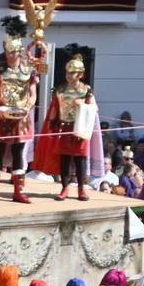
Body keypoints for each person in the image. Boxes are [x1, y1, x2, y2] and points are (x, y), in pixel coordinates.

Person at [0, 16, 37, 204]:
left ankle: (18, 190)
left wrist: (27, 107)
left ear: (20, 51)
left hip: (21, 116)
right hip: (0, 115)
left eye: (15, 52)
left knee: (19, 153)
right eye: (9, 52)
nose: (12, 56)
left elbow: (33, 93)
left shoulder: (28, 68)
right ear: (5, 48)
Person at [34, 54, 100, 201]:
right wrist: (51, 125)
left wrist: (82, 105)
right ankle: (64, 188)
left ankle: (81, 189)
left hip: (79, 128)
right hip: (64, 127)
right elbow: (55, 109)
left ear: (81, 74)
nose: (69, 76)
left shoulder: (86, 90)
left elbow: (94, 108)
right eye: (68, 72)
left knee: (80, 160)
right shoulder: (60, 90)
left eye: (73, 73)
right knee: (64, 159)